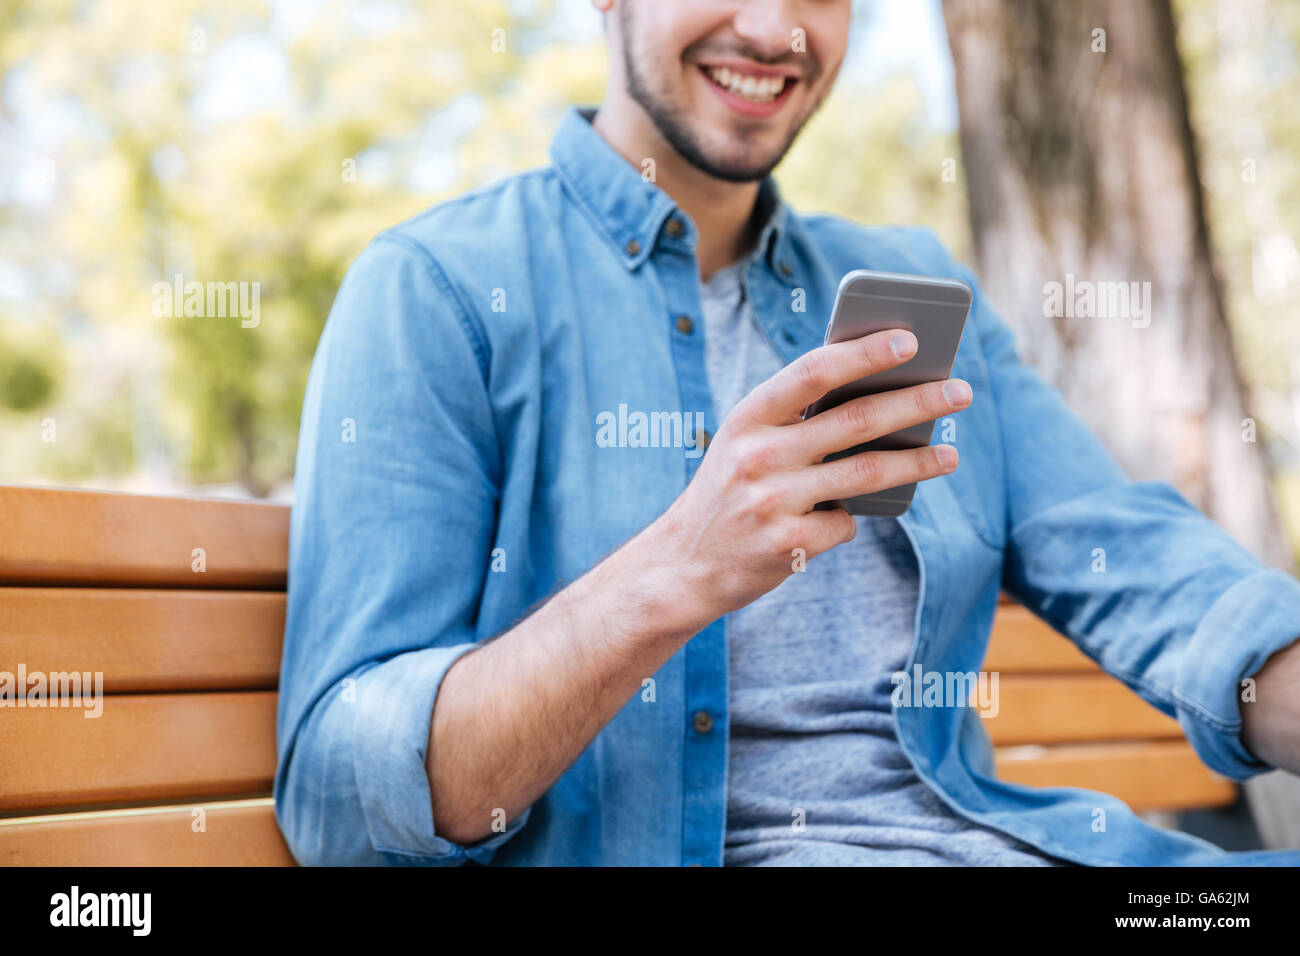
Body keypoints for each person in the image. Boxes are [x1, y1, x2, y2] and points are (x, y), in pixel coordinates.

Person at [274, 0, 1300, 866]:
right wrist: (674, 571)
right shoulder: (438, 291)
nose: (772, 29)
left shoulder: (912, 287)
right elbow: (336, 791)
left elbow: (1138, 562)